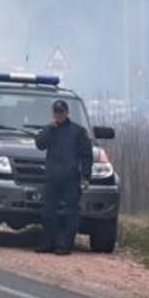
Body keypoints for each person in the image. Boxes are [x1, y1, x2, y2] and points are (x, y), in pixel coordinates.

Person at [33, 99, 93, 255]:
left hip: (71, 179)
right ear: (53, 113)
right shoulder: (49, 130)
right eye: (56, 112)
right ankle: (49, 244)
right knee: (47, 212)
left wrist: (86, 176)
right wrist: (49, 129)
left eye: (62, 112)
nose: (59, 115)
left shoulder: (78, 132)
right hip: (52, 178)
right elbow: (40, 144)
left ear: (67, 113)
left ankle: (66, 246)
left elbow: (87, 155)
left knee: (71, 213)